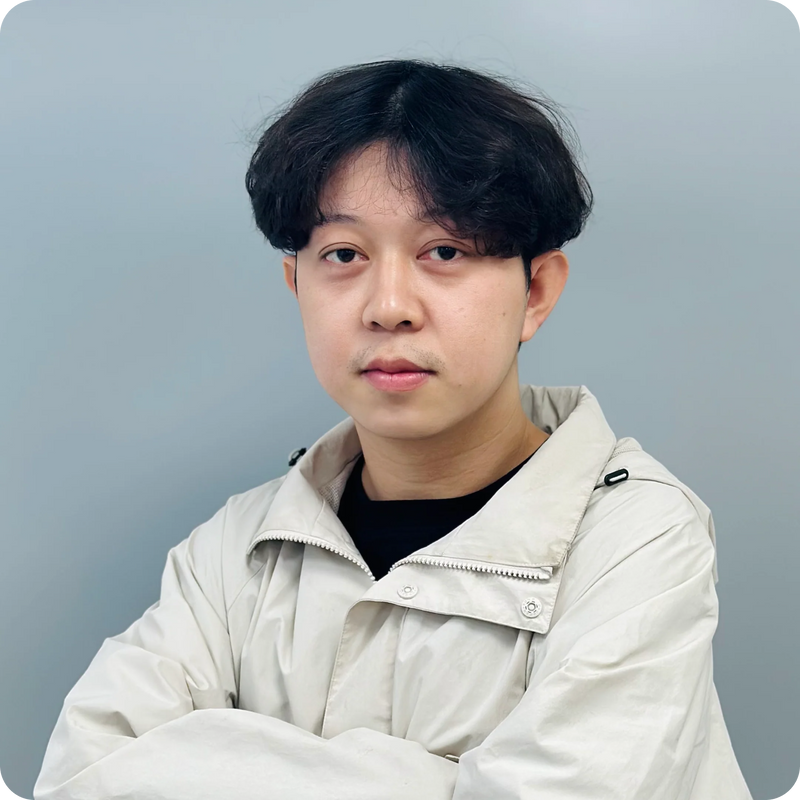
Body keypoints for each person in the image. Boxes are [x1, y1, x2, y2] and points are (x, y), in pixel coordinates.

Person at [34, 58, 753, 799]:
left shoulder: (638, 538)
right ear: (297, 285)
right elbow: (80, 776)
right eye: (344, 254)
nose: (389, 307)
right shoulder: (232, 552)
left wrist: (207, 760)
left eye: (445, 251)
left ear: (536, 292)